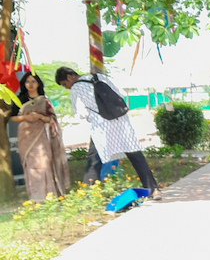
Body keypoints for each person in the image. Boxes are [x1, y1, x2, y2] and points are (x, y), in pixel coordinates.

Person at [54, 65, 157, 193]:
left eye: (65, 84)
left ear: (69, 77)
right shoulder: (100, 77)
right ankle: (153, 189)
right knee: (136, 156)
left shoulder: (76, 88)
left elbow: (81, 114)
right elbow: (119, 95)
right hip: (121, 123)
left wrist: (95, 115)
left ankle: (90, 194)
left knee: (94, 161)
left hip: (101, 127)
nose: (67, 87)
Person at [15, 72, 70, 201]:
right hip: (25, 138)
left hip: (41, 136)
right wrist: (25, 118)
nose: (30, 84)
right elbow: (13, 117)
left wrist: (39, 116)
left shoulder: (45, 102)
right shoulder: (19, 100)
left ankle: (49, 195)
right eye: (27, 82)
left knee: (44, 162)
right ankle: (36, 197)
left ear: (38, 84)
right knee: (31, 166)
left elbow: (51, 119)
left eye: (33, 81)